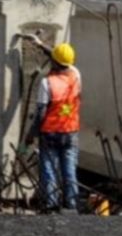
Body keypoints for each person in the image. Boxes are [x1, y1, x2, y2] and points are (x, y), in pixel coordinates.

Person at [23, 36, 81, 213]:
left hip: (50, 133)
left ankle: (50, 205)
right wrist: (41, 45)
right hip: (70, 131)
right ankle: (71, 204)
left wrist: (30, 136)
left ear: (54, 62)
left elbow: (40, 114)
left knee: (49, 168)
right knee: (69, 169)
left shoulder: (46, 83)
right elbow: (62, 60)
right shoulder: (76, 76)